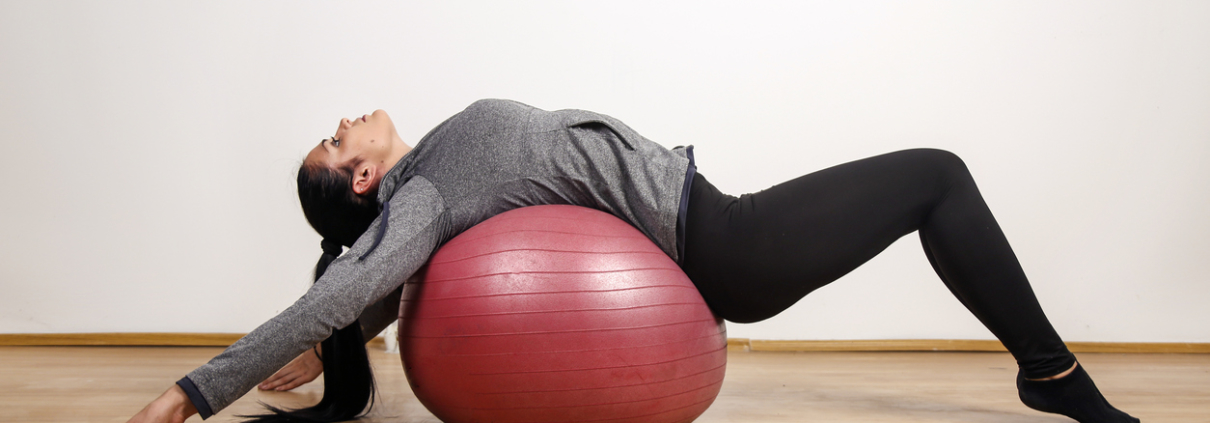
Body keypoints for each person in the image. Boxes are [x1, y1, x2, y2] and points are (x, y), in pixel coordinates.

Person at [128, 99, 1138, 423]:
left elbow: (376, 286)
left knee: (935, 175)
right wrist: (195, 390)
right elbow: (358, 280)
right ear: (358, 182)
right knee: (939, 174)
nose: (347, 119)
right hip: (717, 245)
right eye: (334, 136)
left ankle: (1049, 373)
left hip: (711, 229)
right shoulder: (422, 192)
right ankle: (1051, 375)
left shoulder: (428, 185)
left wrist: (357, 327)